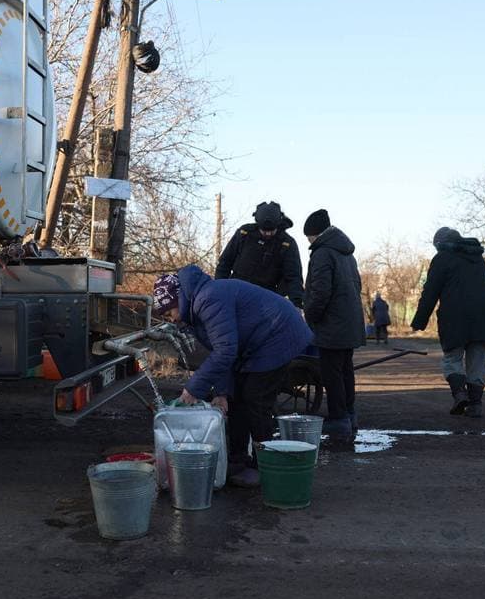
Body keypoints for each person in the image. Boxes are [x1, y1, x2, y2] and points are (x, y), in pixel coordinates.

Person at [153, 265, 314, 487]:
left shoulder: (208, 299)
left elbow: (226, 351)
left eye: (169, 312)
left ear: (178, 299)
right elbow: (220, 351)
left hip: (278, 335)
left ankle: (263, 465)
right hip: (256, 343)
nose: (170, 319)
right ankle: (238, 459)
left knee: (255, 399)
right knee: (236, 396)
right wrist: (221, 393)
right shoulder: (196, 309)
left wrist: (193, 388)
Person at [410, 227, 485, 417]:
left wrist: (419, 321)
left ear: (441, 244)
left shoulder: (442, 259)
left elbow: (430, 292)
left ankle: (460, 395)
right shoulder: (479, 260)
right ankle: (475, 404)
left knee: (452, 359)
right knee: (477, 363)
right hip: (484, 318)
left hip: (455, 319)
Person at [301, 209, 366, 444]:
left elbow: (320, 292)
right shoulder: (346, 253)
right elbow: (356, 285)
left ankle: (338, 418)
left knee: (331, 372)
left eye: (308, 237)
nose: (308, 242)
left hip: (331, 323)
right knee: (345, 369)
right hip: (349, 320)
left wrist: (310, 316)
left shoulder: (322, 254)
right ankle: (349, 414)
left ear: (315, 235)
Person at [215, 201, 305, 309]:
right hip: (237, 294)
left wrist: (297, 304)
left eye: (271, 231)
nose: (268, 234)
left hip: (266, 300)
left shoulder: (287, 243)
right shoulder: (245, 233)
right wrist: (219, 290)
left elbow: (294, 277)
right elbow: (225, 263)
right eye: (264, 231)